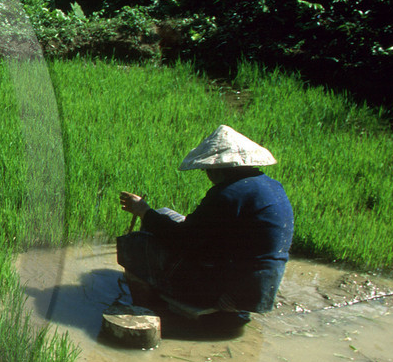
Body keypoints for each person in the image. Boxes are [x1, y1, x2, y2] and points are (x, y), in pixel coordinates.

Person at [117, 124, 294, 320]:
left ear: (217, 168)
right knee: (165, 213)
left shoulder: (228, 195)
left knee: (136, 243)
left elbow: (182, 240)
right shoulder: (270, 186)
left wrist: (144, 211)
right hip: (261, 289)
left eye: (206, 169)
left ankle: (147, 310)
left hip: (233, 295)